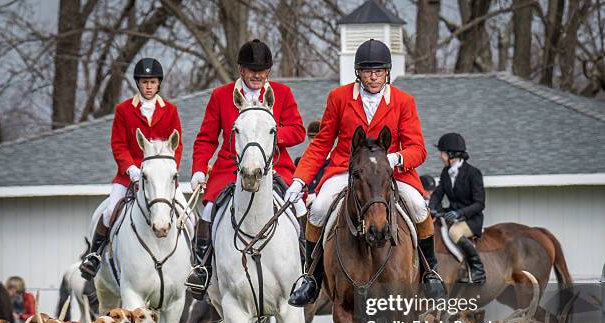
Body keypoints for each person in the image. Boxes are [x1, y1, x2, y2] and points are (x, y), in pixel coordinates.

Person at [285, 39, 446, 306]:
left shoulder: (403, 101)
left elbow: (418, 148)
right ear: (358, 72)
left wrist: (395, 158)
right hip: (346, 169)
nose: (373, 76)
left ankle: (431, 274)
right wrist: (299, 179)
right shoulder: (339, 98)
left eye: (379, 71)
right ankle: (310, 277)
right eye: (368, 71)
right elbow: (323, 142)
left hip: (390, 173)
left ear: (387, 72)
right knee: (319, 208)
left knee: (419, 207)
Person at [185, 39, 307, 300]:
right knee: (208, 209)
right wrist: (198, 169)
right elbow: (206, 138)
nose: (257, 76)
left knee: (299, 206)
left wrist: (270, 137)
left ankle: (308, 269)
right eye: (252, 70)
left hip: (273, 167)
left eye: (262, 71)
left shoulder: (281, 94)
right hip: (229, 169)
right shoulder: (221, 95)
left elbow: (298, 130)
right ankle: (202, 269)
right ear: (241, 70)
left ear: (269, 72)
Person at [79, 58, 183, 280]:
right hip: (128, 176)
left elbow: (177, 144)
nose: (148, 86)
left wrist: (168, 171)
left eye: (152, 82)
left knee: (187, 214)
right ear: (138, 83)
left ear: (158, 84)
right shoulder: (124, 109)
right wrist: (131, 169)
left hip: (160, 178)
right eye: (144, 82)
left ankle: (194, 259)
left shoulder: (170, 110)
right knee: (109, 211)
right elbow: (118, 144)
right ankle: (94, 255)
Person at [429, 133, 486, 283]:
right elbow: (437, 194)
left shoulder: (473, 174)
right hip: (452, 216)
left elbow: (480, 203)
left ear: (452, 154)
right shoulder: (446, 173)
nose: (440, 156)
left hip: (471, 219)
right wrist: (431, 208)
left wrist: (459, 213)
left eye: (442, 153)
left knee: (454, 232)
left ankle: (477, 269)